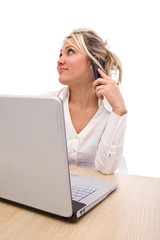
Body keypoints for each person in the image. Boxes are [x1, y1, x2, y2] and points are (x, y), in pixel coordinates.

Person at [48, 28, 127, 174]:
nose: (60, 60)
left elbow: (106, 169)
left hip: (101, 187)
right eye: (60, 54)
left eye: (70, 51)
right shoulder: (47, 104)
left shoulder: (111, 111)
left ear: (94, 62)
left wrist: (119, 109)